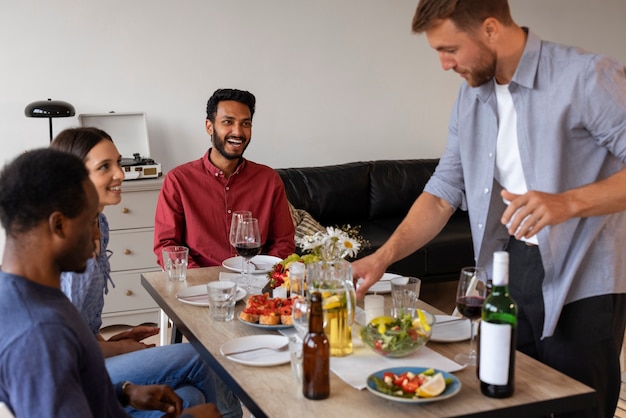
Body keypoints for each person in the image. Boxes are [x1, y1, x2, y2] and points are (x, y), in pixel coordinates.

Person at [352, 1, 626, 417]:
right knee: (508, 397)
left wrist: (567, 202)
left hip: (583, 274)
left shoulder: (586, 76)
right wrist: (382, 257)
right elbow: (444, 191)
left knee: (578, 407)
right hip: (510, 271)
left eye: (450, 49)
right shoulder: (471, 97)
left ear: (491, 29)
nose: (444, 64)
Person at [0, 148, 220, 418]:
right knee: (196, 404)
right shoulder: (40, 332)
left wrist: (123, 391)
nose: (97, 234)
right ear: (58, 225)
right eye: (91, 220)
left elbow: (71, 383)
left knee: (189, 396)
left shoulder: (25, 292)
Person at [50, 127, 242, 418]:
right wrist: (121, 350)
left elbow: (77, 322)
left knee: (189, 396)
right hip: (70, 373)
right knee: (198, 357)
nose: (121, 174)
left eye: (119, 163)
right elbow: (61, 346)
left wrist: (112, 341)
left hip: (90, 353)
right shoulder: (67, 239)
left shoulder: (98, 222)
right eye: (105, 167)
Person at [153, 88, 295, 269]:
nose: (238, 131)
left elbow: (283, 242)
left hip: (258, 283)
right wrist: (203, 282)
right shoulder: (178, 180)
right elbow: (167, 246)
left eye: (245, 124)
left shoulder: (268, 180)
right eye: (228, 122)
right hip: (201, 286)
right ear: (209, 126)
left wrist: (265, 275)